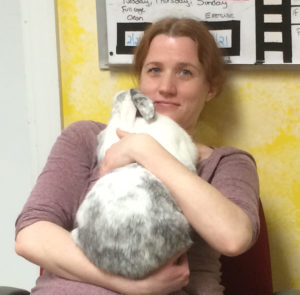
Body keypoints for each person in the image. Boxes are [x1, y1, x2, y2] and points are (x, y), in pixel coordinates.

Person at [15, 17, 260, 295]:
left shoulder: (227, 163)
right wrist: (129, 284)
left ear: (211, 88)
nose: (166, 87)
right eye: (154, 70)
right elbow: (31, 236)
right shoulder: (85, 137)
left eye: (185, 72)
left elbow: (234, 238)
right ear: (140, 79)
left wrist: (146, 150)